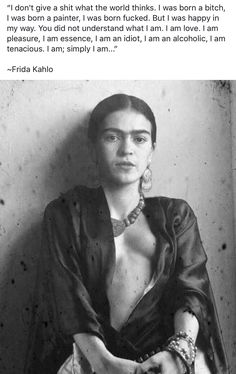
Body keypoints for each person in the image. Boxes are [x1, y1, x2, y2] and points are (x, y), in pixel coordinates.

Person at [25, 94, 229, 374]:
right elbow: (67, 298)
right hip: (87, 362)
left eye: (139, 138)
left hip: (163, 362)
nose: (127, 150)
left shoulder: (176, 216)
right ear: (93, 147)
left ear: (152, 150)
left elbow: (191, 288)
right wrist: (103, 362)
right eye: (112, 137)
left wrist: (178, 353)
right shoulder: (66, 213)